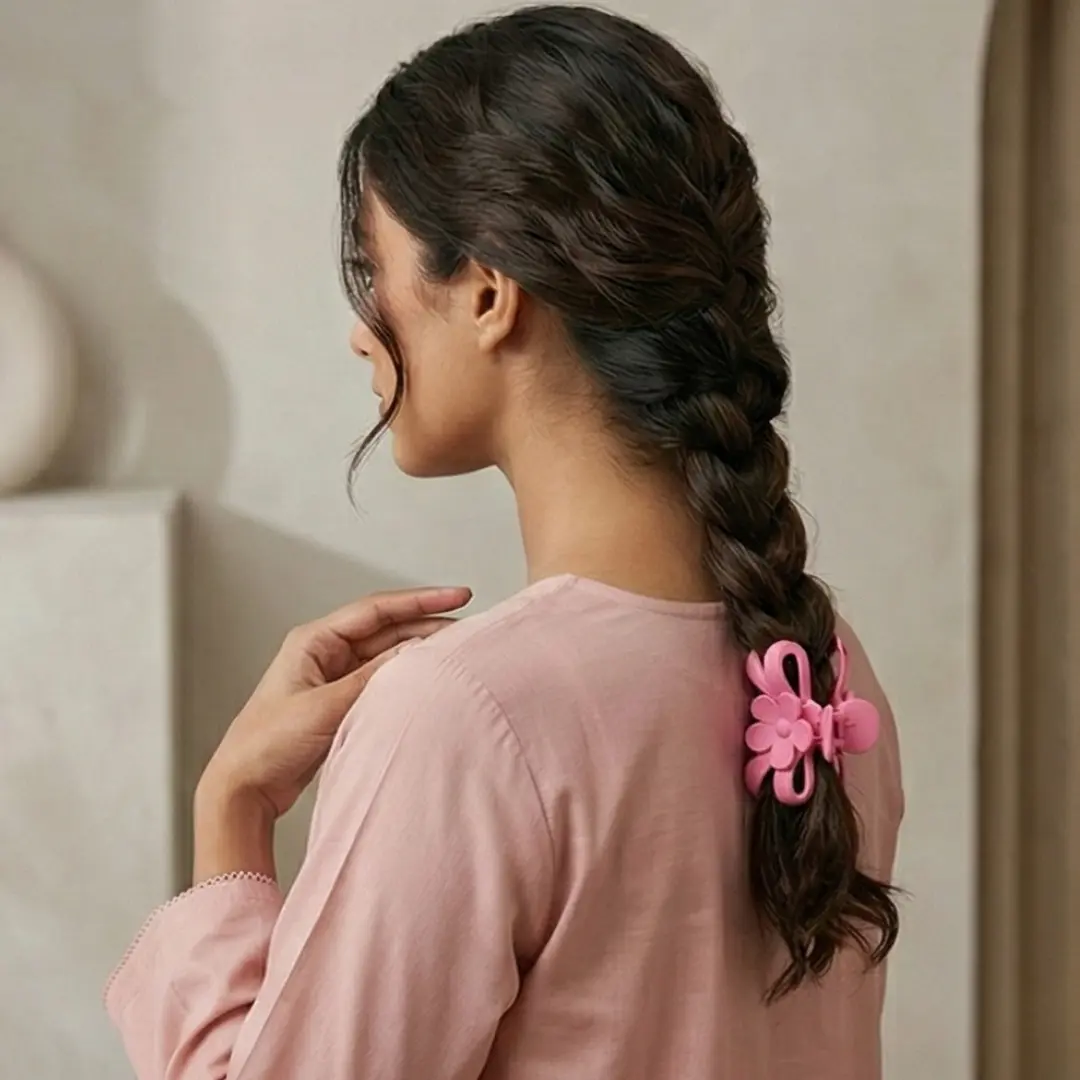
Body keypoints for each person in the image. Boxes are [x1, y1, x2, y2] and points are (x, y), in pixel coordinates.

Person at [105, 6, 903, 1078]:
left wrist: (231, 813)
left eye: (370, 265)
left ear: (486, 293)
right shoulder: (821, 676)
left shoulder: (467, 717)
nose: (360, 325)